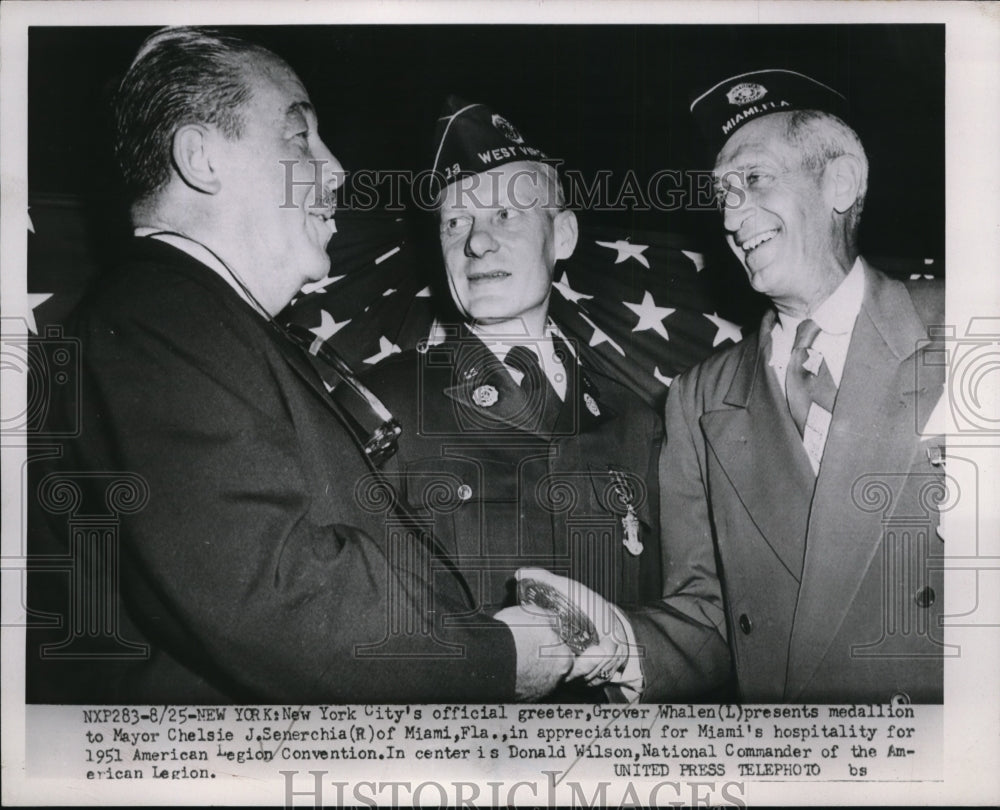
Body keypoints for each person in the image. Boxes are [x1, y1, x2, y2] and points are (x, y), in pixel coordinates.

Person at [26, 28, 573, 704]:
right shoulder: (153, 320)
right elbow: (270, 596)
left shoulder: (214, 326)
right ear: (202, 159)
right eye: (299, 138)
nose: (336, 168)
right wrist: (499, 655)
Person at [353, 98, 725, 700]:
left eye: (505, 213)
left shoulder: (638, 423)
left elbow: (695, 616)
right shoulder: (383, 406)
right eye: (454, 223)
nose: (476, 243)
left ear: (565, 234)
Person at [614, 69, 946, 703]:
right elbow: (709, 617)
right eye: (723, 194)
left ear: (840, 182)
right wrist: (619, 646)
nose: (734, 214)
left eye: (756, 180)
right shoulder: (699, 400)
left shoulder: (965, 332)